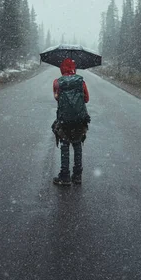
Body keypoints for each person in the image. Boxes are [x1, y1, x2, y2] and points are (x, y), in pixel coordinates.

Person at [51, 58, 90, 186]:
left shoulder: (57, 82)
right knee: (77, 145)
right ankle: (77, 176)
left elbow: (57, 98)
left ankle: (65, 176)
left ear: (62, 68)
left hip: (64, 120)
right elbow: (86, 99)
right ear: (74, 68)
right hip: (80, 119)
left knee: (65, 146)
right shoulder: (81, 81)